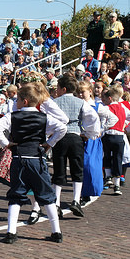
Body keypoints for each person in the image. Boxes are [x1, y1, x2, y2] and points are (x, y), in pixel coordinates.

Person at [0, 83, 67, 244]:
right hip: (37, 159)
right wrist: (49, 143)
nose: (16, 102)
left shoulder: (13, 115)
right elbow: (62, 128)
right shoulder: (44, 117)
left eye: (17, 99)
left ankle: (11, 232)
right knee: (46, 195)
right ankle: (56, 232)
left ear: (24, 101)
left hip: (18, 159)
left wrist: (6, 143)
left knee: (16, 194)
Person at [52, 74, 100, 218]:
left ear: (63, 88)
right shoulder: (81, 103)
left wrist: (50, 134)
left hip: (60, 138)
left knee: (59, 171)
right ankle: (75, 200)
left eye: (58, 88)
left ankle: (56, 203)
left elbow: (48, 119)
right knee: (77, 170)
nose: (57, 90)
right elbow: (92, 118)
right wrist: (89, 133)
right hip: (75, 137)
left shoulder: (55, 102)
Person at [78, 81, 117, 203]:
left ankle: (88, 192)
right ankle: (81, 194)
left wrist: (101, 129)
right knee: (79, 167)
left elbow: (113, 118)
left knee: (89, 166)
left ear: (90, 91)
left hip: (92, 140)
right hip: (79, 138)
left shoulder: (97, 106)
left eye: (82, 92)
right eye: (78, 92)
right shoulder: (77, 104)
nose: (80, 94)